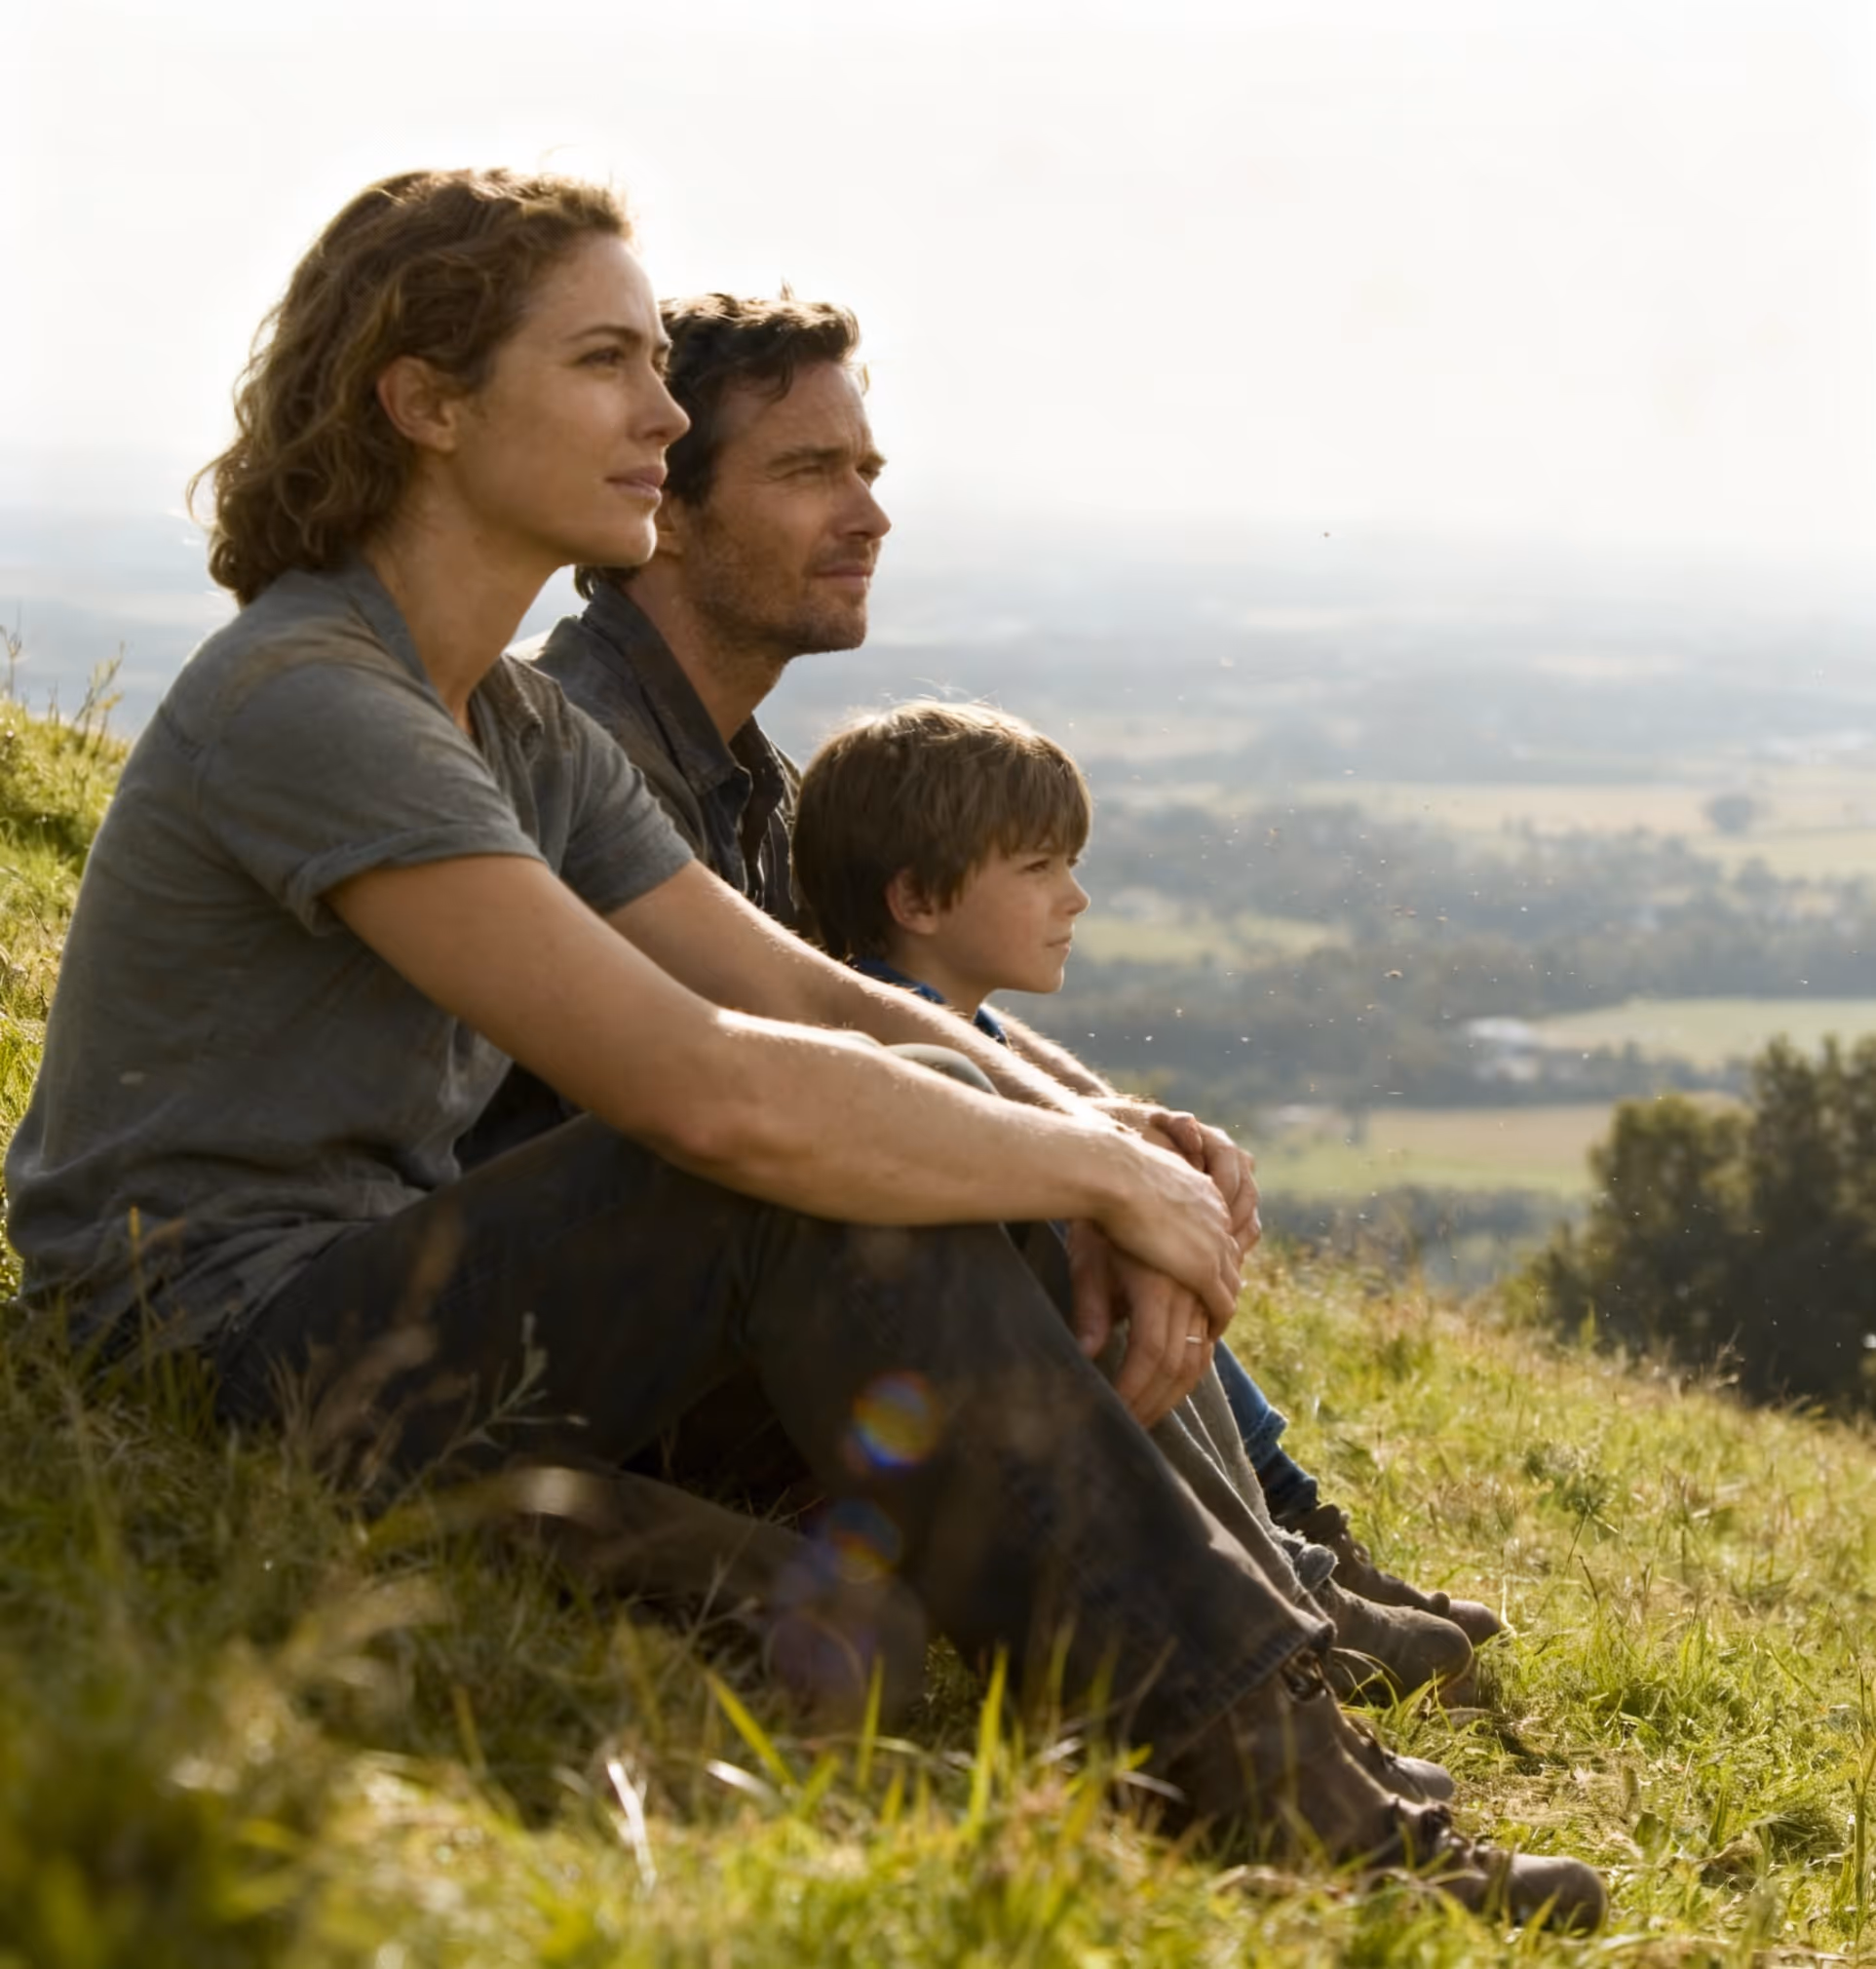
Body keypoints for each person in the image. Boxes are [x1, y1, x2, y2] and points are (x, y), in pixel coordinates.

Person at [1, 168, 1601, 1925]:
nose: (663, 411)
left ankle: (1267, 1740)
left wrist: (1111, 1138)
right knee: (783, 1174)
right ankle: (1302, 1808)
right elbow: (714, 1087)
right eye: (608, 360)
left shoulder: (512, 721)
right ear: (427, 401)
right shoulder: (311, 699)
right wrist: (1084, 1172)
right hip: (220, 1346)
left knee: (892, 1538)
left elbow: (824, 999)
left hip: (380, 1312)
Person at [513, 290, 1503, 1657]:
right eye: (809, 472)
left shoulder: (748, 783)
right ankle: (1268, 1627)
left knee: (1048, 1163)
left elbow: (858, 1003)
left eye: (868, 472)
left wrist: (1122, 1135)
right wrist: (1080, 1168)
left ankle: (1282, 1585)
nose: (868, 515)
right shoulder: (582, 748)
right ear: (666, 512)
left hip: (733, 1286)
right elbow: (775, 1079)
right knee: (1000, 1183)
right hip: (629, 1324)